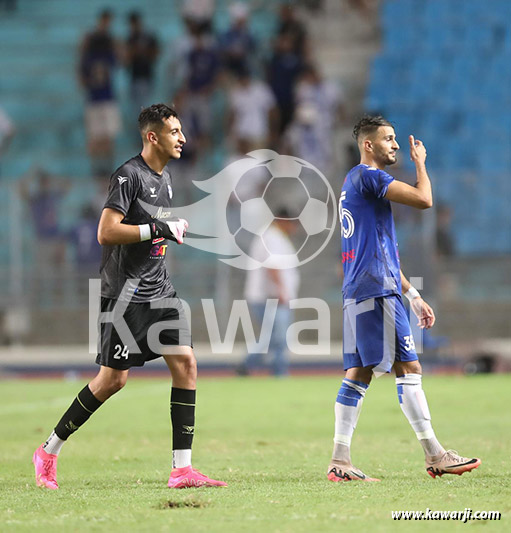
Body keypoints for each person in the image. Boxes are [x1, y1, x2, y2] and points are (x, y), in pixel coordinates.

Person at [32, 104, 226, 490]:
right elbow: (106, 231)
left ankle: (182, 470)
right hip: (125, 294)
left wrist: (166, 231)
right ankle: (48, 450)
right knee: (112, 381)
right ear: (152, 136)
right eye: (174, 131)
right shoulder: (129, 175)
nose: (182, 138)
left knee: (186, 363)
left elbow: (155, 234)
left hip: (160, 289)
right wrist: (158, 227)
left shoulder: (166, 178)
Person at [328, 115, 481, 482]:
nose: (396, 145)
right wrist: (421, 163)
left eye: (396, 139)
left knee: (359, 373)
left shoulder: (352, 183)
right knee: (408, 368)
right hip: (376, 291)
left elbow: (376, 249)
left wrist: (412, 295)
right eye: (389, 139)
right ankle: (435, 454)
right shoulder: (370, 177)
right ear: (369, 145)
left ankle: (340, 461)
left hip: (362, 288)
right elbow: (425, 199)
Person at [237, 209, 300, 377]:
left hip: (269, 296)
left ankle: (248, 365)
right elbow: (272, 267)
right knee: (278, 336)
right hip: (271, 297)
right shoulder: (273, 237)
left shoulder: (271, 236)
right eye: (293, 224)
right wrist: (281, 291)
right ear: (284, 221)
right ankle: (277, 371)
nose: (294, 229)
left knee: (273, 336)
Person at [79, 9, 121, 177]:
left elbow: (82, 80)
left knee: (101, 137)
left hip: (99, 99)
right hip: (102, 98)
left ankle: (101, 169)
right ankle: (103, 169)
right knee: (103, 137)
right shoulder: (101, 56)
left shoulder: (92, 57)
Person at [125, 11, 160, 118]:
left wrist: (143, 52)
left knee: (145, 107)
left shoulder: (148, 37)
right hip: (135, 76)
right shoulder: (131, 38)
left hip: (145, 75)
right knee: (137, 109)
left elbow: (156, 53)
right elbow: (126, 59)